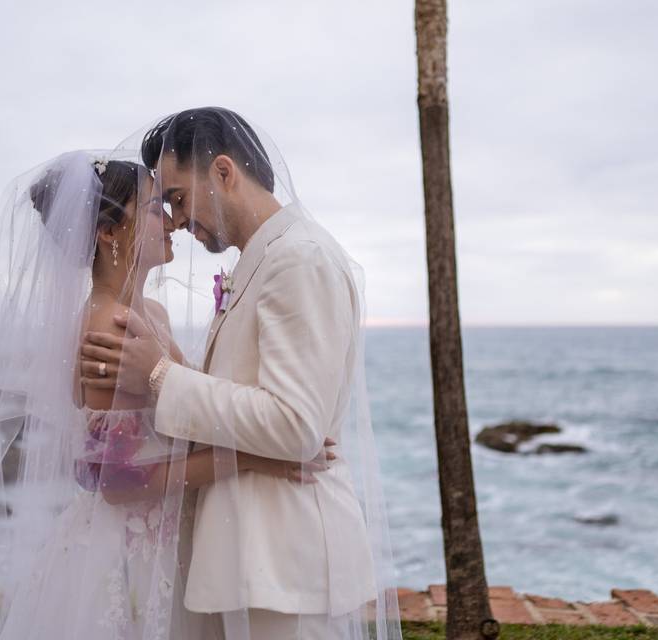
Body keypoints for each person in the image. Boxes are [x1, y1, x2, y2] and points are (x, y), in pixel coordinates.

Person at [0, 149, 333, 640]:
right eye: (152, 208)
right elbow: (117, 482)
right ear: (107, 232)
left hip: (169, 540)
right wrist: (251, 460)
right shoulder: (106, 326)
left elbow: (192, 410)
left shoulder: (152, 316)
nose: (170, 221)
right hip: (127, 556)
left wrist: (277, 421)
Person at [82, 108, 402, 640]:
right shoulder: (265, 260)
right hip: (247, 562)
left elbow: (295, 426)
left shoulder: (299, 260)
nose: (177, 220)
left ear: (224, 173)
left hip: (283, 563)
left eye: (179, 198)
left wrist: (159, 375)